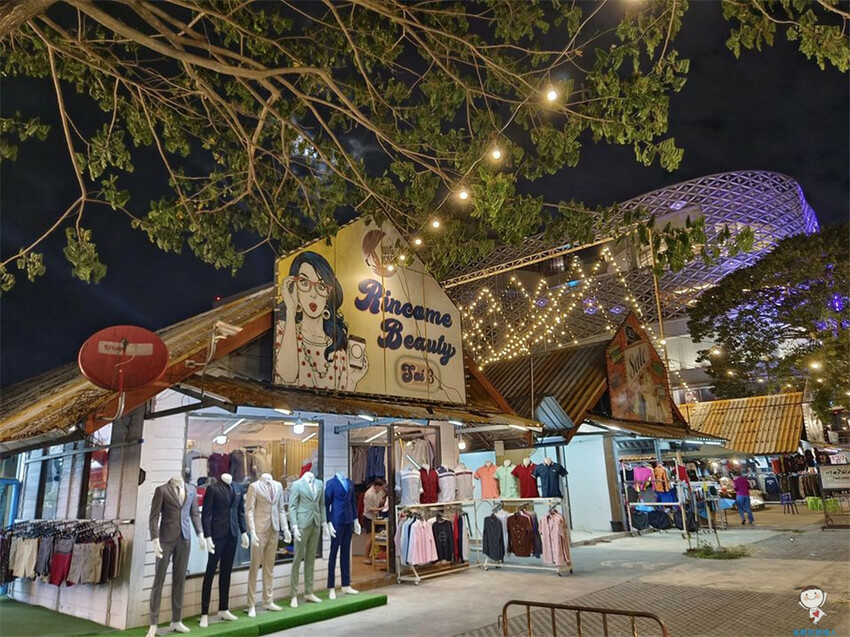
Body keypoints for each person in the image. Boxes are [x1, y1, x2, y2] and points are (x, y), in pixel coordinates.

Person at [274, 251, 369, 391]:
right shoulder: (283, 330)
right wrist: (290, 310)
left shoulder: (337, 349)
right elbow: (288, 375)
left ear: (328, 295)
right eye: (304, 282)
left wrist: (352, 380)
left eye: (321, 286)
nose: (313, 294)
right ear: (294, 287)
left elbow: (340, 403)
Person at [362, 478, 387, 564]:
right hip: (368, 517)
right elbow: (368, 508)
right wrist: (380, 509)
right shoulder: (369, 494)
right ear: (377, 486)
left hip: (376, 517)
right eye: (382, 487)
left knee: (377, 537)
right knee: (370, 538)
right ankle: (366, 557)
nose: (382, 489)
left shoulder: (380, 492)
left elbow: (381, 499)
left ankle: (376, 556)